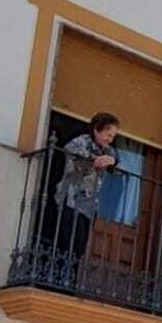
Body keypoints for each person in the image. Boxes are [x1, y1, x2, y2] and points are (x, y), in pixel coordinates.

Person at [51, 112, 120, 287]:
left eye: (113, 136)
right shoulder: (81, 142)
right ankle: (58, 281)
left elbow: (118, 163)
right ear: (97, 129)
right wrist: (93, 161)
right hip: (70, 199)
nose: (110, 139)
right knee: (66, 242)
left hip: (89, 206)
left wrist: (112, 161)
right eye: (108, 134)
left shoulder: (108, 150)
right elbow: (70, 152)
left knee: (79, 246)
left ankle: (70, 282)